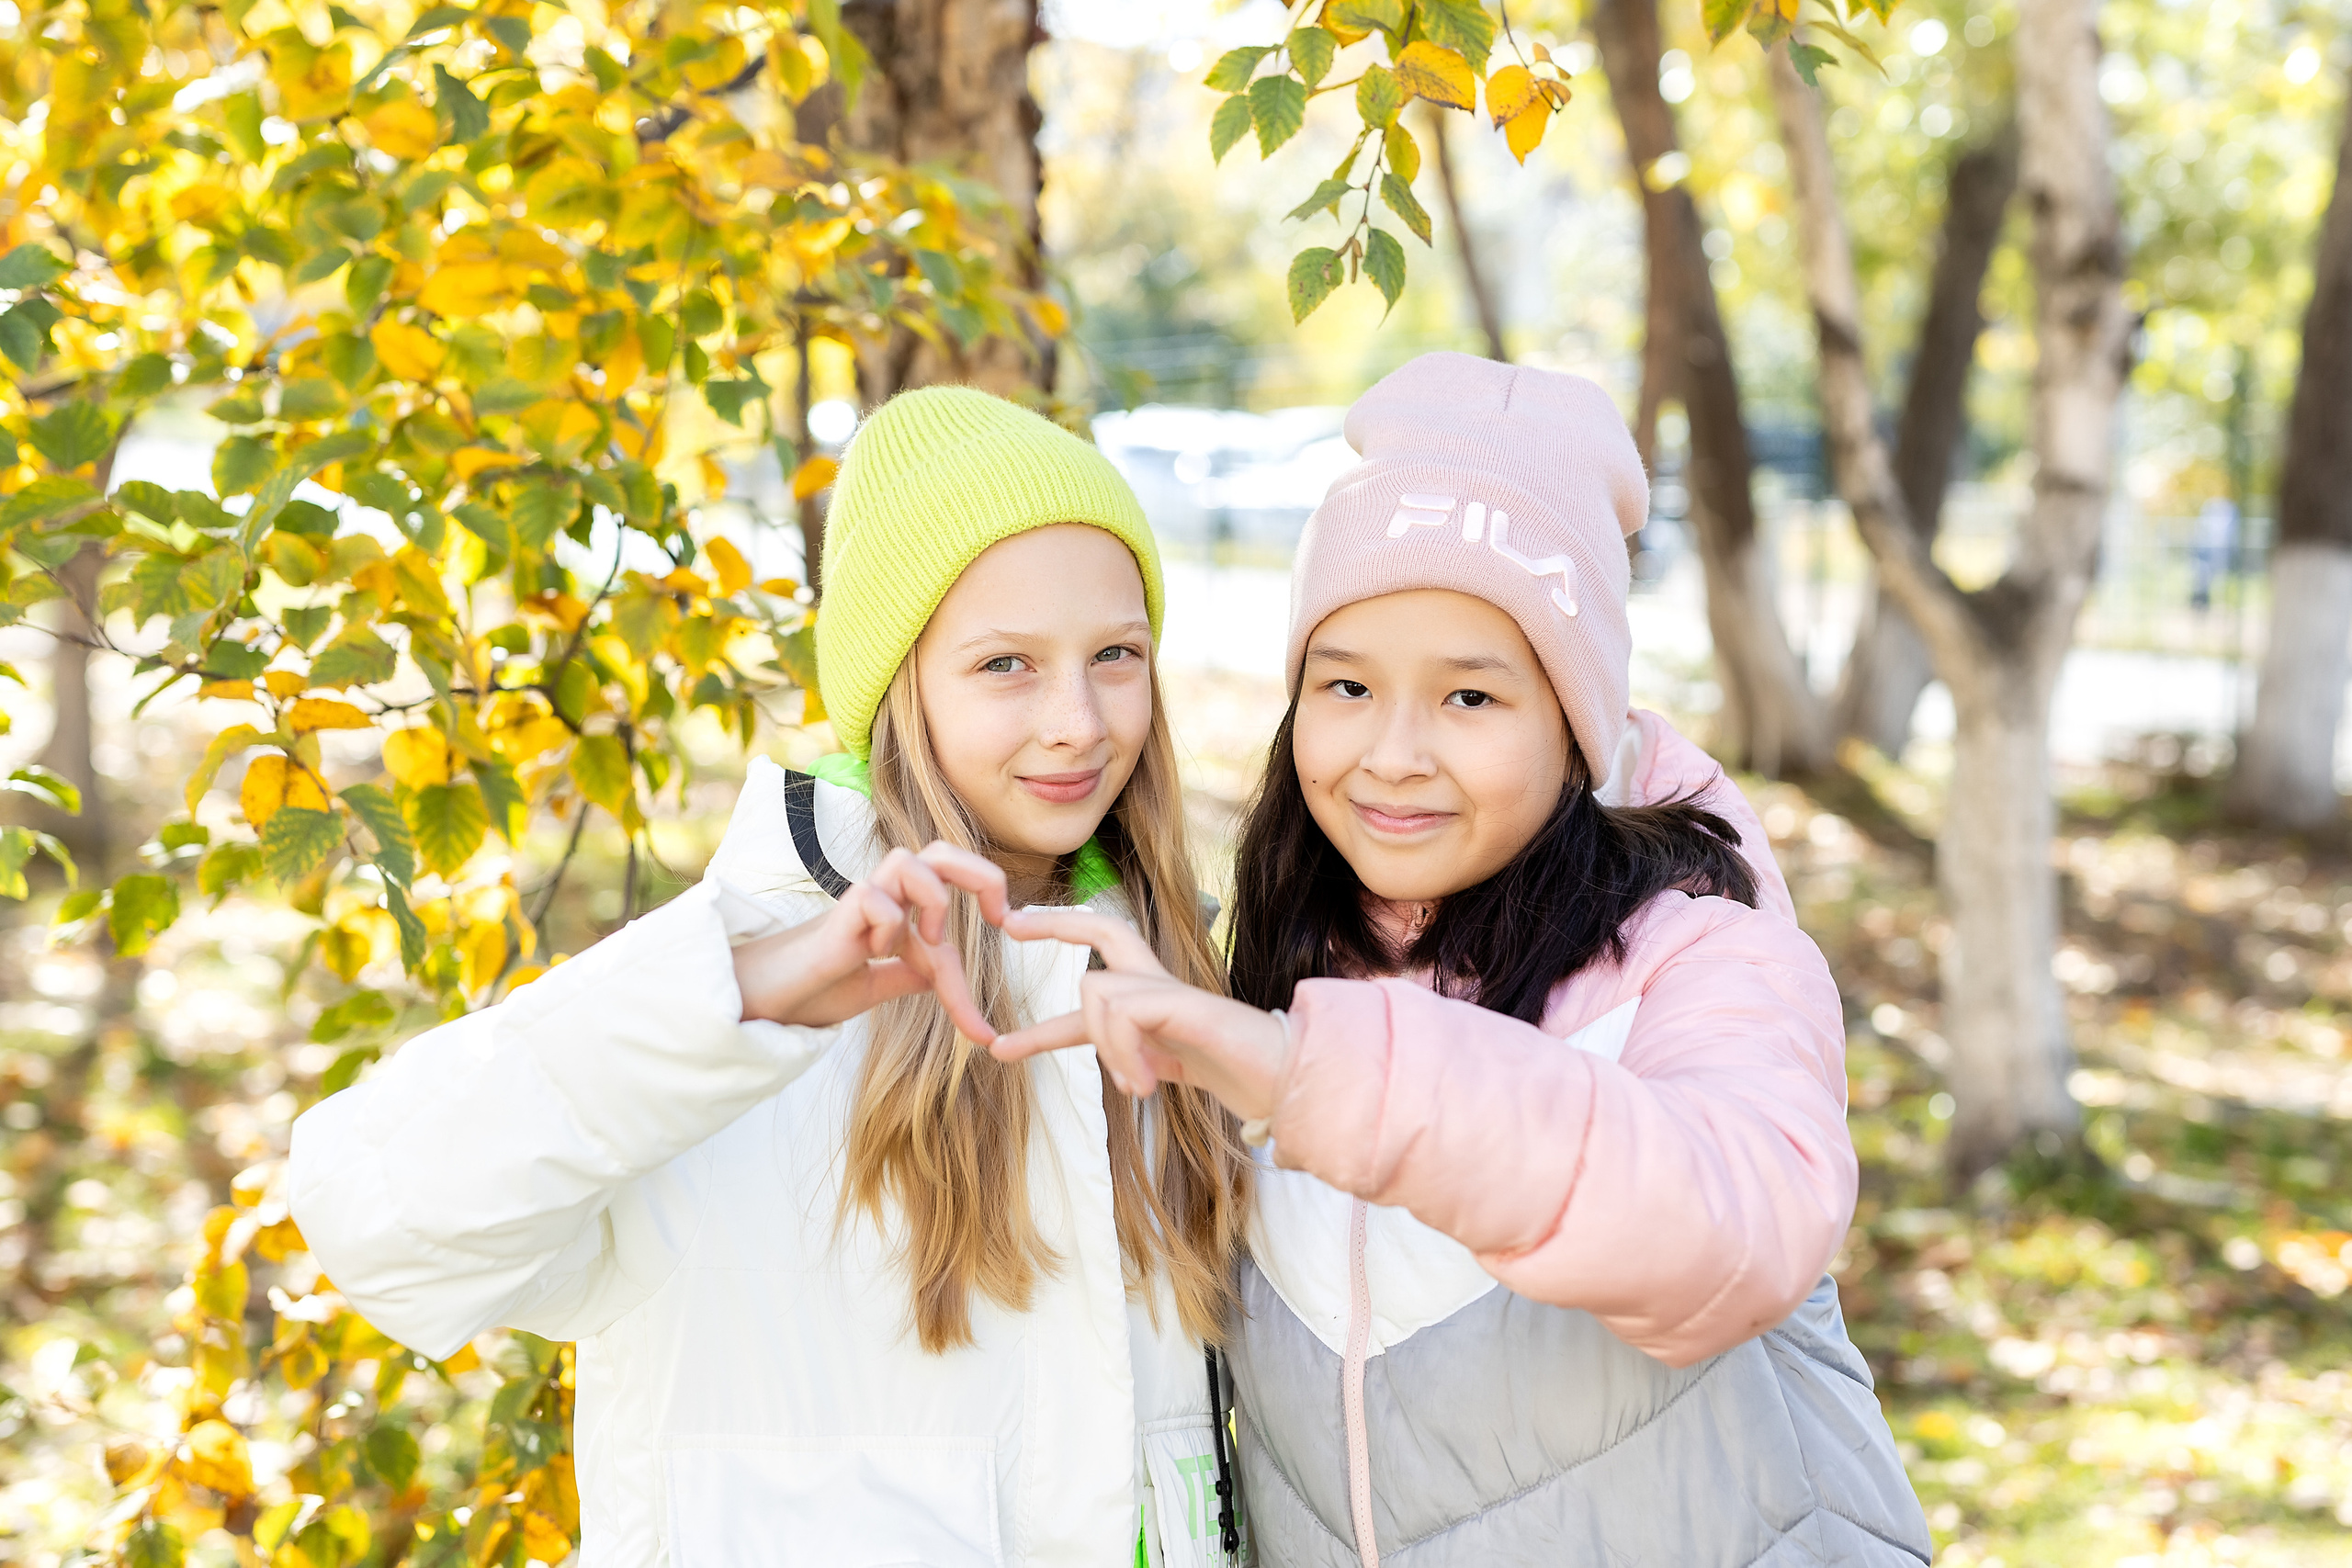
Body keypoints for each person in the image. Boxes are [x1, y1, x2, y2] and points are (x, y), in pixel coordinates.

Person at [289, 388, 1252, 1567]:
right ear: (900, 682)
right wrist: (743, 992)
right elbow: (374, 1219)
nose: (1077, 721)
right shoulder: (738, 989)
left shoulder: (1171, 978)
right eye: (1005, 664)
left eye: (1116, 655)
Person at [993, 354, 1930, 1566]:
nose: (1392, 753)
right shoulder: (1273, 965)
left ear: (1574, 723)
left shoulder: (1704, 953)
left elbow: (1734, 1230)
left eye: (1471, 698)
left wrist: (1309, 1075)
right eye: (1346, 684)